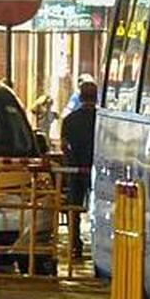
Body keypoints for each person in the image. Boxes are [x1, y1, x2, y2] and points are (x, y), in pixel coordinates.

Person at [60, 80, 98, 260]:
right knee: (99, 208)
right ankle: (99, 243)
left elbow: (64, 146)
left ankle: (75, 243)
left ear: (80, 97)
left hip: (75, 169)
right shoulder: (101, 120)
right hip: (96, 170)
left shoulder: (69, 120)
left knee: (74, 206)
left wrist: (70, 162)